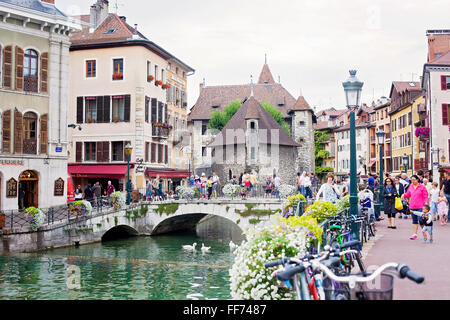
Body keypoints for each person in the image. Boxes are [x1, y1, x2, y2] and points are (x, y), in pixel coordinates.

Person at [402, 175, 429, 240]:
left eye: (414, 180)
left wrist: (426, 203)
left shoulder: (422, 187)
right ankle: (414, 234)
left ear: (417, 180)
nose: (413, 181)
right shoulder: (410, 187)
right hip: (412, 206)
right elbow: (408, 194)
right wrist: (403, 195)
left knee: (421, 220)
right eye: (412, 180)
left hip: (421, 206)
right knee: (414, 221)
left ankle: (424, 233)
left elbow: (425, 196)